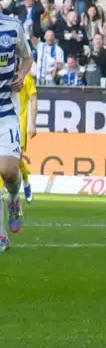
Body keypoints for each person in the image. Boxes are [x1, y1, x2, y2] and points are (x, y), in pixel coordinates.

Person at [0, 15, 31, 252]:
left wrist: (21, 74)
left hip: (6, 110)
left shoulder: (12, 26)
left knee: (9, 170)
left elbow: (27, 57)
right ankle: (2, 237)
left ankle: (13, 198)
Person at [17, 74, 36, 202]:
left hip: (18, 124)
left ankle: (25, 182)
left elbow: (33, 99)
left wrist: (33, 124)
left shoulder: (26, 79)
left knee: (15, 160)